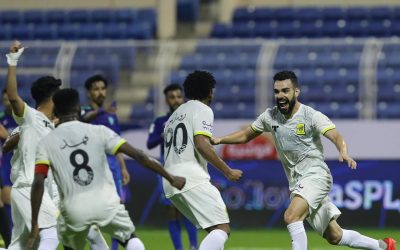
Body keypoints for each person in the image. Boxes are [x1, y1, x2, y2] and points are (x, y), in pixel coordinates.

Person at [211, 70, 396, 250]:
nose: (280, 95)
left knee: (291, 216)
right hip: (298, 182)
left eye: (285, 91)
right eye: (277, 91)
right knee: (335, 236)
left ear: (296, 92)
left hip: (316, 176)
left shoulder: (310, 115)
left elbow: (336, 135)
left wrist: (343, 151)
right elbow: (246, 134)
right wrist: (221, 139)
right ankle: (383, 246)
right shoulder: (271, 116)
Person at [27, 88, 186, 250]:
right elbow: (140, 156)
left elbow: (38, 182)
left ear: (56, 111)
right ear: (77, 108)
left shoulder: (46, 143)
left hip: (74, 209)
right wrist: (171, 177)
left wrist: (34, 224)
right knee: (130, 238)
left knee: (71, 244)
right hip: (106, 203)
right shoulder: (99, 131)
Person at [163, 70, 243, 250]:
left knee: (213, 229)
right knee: (222, 229)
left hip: (171, 181)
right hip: (191, 178)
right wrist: (227, 171)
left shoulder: (174, 116)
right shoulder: (203, 109)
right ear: (209, 92)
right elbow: (201, 144)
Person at [81, 74, 130, 250]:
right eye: (96, 89)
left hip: (113, 168)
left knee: (116, 210)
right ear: (88, 93)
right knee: (94, 214)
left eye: (102, 88)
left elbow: (117, 144)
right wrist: (102, 111)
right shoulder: (84, 112)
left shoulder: (111, 116)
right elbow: (83, 119)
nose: (100, 92)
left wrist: (123, 167)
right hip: (93, 168)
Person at [147, 84, 198, 250]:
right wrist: (165, 134)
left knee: (188, 207)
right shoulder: (160, 121)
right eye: (172, 97)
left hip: (186, 163)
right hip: (167, 166)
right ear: (167, 100)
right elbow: (150, 143)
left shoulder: (190, 118)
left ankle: (193, 246)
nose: (176, 100)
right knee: (172, 209)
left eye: (178, 96)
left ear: (183, 98)